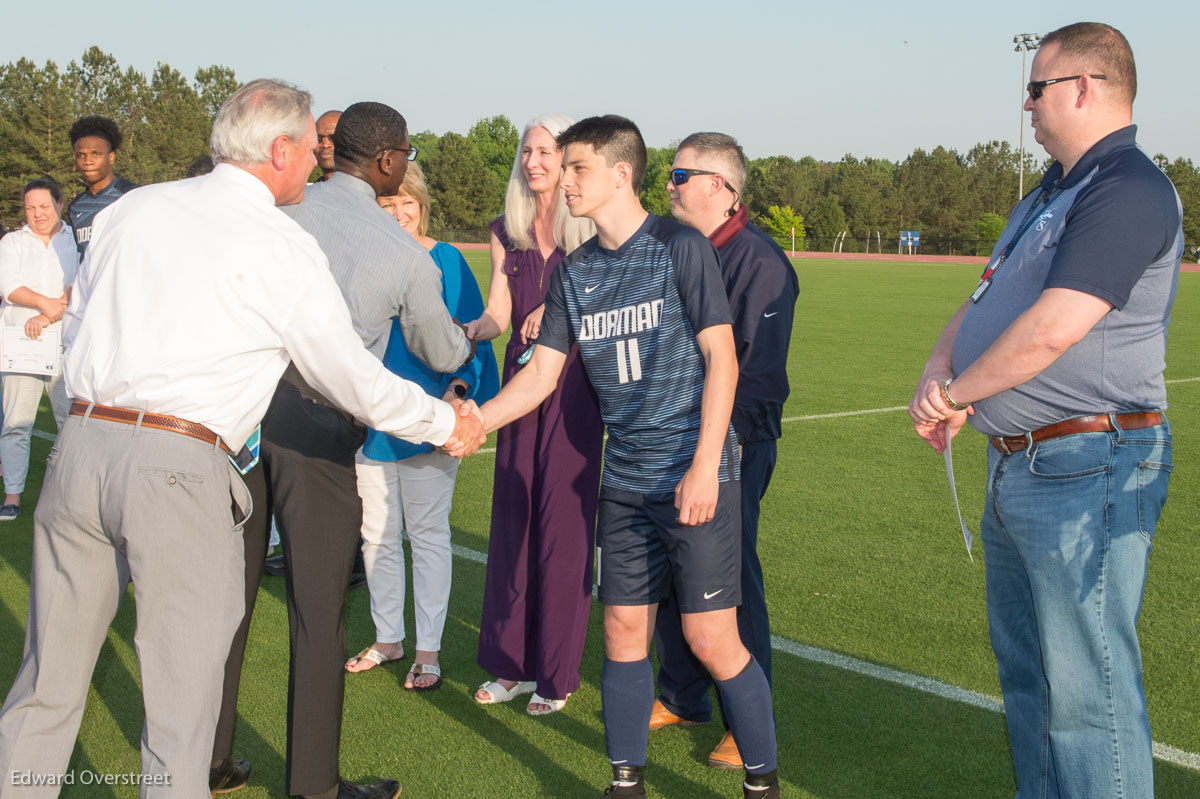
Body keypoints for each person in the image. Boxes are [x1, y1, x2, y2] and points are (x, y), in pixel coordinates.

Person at [0, 78, 483, 799]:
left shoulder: (135, 210)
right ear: (281, 149)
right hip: (184, 462)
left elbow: (79, 327)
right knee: (180, 701)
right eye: (306, 151)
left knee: (45, 685)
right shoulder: (278, 243)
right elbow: (348, 374)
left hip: (81, 448)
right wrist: (446, 423)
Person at [464, 115, 779, 799]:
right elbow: (541, 374)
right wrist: (475, 422)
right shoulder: (576, 273)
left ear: (620, 174)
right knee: (622, 625)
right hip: (626, 482)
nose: (563, 180)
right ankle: (625, 780)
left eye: (578, 168)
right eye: (563, 167)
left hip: (696, 475)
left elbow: (722, 359)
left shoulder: (679, 247)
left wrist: (703, 465)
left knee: (709, 636)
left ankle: (762, 780)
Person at [908, 22, 1182, 798]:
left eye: (1036, 88)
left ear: (1084, 88)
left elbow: (1057, 325)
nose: (1025, 105)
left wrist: (958, 393)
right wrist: (940, 369)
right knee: (1030, 679)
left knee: (1086, 693)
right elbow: (985, 298)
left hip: (1085, 463)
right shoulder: (1049, 192)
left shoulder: (1126, 187)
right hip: (1023, 463)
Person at [221, 101, 475, 799]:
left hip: (238, 419)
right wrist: (476, 333)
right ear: (390, 161)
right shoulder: (399, 249)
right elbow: (439, 346)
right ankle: (313, 785)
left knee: (228, 599)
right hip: (317, 429)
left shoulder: (280, 208)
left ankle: (211, 756)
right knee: (317, 609)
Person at [650, 132, 798, 769]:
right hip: (671, 436)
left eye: (681, 176)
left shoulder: (758, 261)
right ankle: (683, 694)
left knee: (732, 574)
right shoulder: (678, 250)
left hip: (733, 441)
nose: (670, 186)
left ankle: (748, 715)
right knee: (674, 565)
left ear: (720, 187)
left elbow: (753, 373)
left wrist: (711, 448)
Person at [466, 114, 603, 716]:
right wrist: (469, 330)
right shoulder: (508, 230)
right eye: (529, 151)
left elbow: (597, 301)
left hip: (574, 389)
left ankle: (556, 674)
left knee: (564, 534)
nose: (535, 161)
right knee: (515, 522)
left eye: (548, 151)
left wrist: (552, 308)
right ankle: (510, 665)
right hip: (518, 390)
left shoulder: (593, 229)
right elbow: (499, 310)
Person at [345, 162, 500, 690]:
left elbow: (471, 338)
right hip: (371, 418)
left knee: (428, 534)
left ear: (422, 203)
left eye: (406, 202)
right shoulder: (363, 258)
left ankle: (427, 650)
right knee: (377, 536)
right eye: (387, 204)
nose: (398, 213)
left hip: (431, 416)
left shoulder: (447, 260)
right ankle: (389, 638)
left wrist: (456, 397)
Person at [0, 177, 77, 522]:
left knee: (69, 423)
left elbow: (79, 288)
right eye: (31, 208)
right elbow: (8, 286)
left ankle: (71, 495)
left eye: (44, 206)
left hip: (64, 343)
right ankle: (12, 496)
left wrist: (48, 317)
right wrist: (44, 303)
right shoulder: (12, 242)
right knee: (16, 422)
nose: (38, 214)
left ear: (60, 204)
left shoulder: (75, 241)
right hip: (20, 344)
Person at [66, 115, 138, 257]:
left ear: (111, 157)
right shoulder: (76, 206)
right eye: (81, 155)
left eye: (96, 154)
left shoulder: (132, 195)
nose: (87, 161)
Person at [315, 110, 342, 180]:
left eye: (333, 138)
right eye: (319, 139)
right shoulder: (310, 190)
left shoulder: (366, 189)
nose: (325, 145)